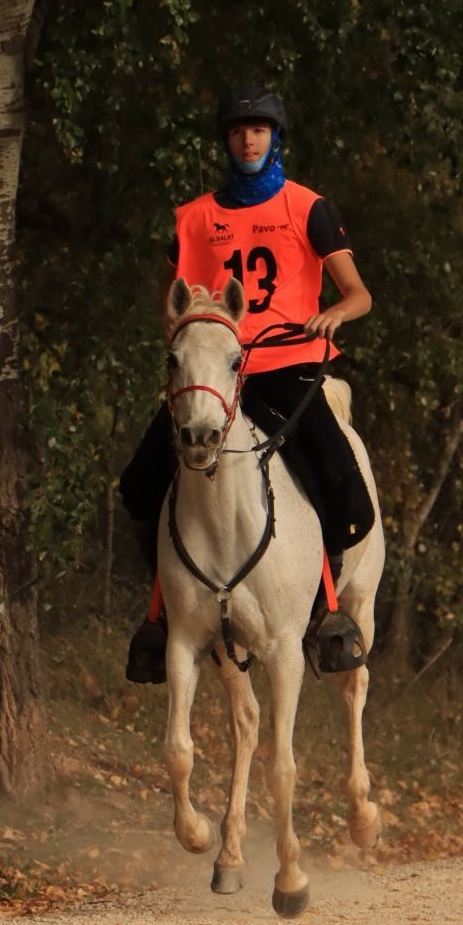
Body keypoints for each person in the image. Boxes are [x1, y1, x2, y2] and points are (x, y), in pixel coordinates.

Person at [120, 84, 376, 683]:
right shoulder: (195, 218)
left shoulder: (308, 208)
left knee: (341, 483)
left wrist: (337, 312)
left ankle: (327, 616)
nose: (248, 139)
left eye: (259, 130)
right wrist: (192, 336)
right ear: (227, 141)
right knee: (139, 486)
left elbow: (359, 293)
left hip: (288, 368)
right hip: (215, 377)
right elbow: (170, 306)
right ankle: (163, 614)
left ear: (275, 137)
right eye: (238, 131)